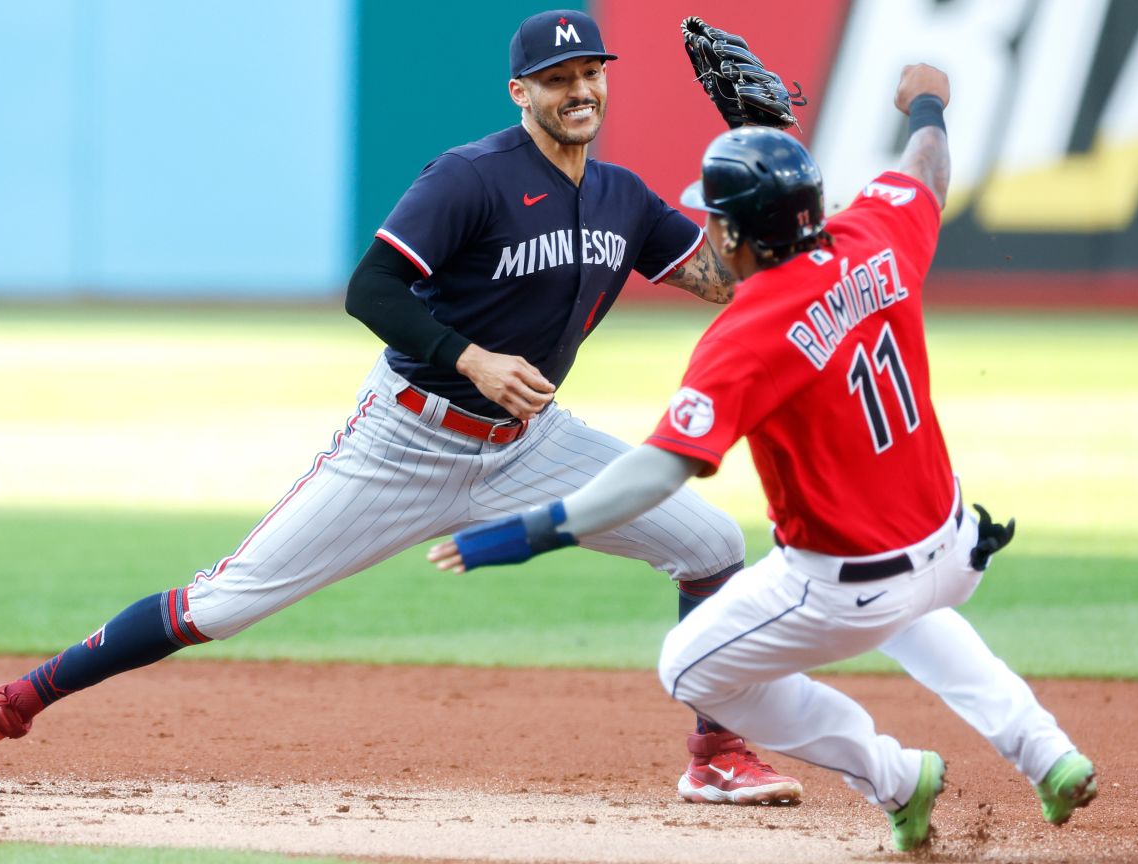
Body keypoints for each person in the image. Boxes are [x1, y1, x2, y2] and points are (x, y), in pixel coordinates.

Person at [0, 9, 804, 806]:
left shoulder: (624, 197)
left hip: (531, 445)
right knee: (225, 602)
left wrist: (775, 178)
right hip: (407, 439)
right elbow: (370, 288)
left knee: (713, 543)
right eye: (557, 79)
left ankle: (716, 753)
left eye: (591, 74)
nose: (578, 90)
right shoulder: (469, 177)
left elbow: (726, 283)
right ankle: (12, 703)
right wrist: (473, 359)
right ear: (520, 90)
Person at [428, 63, 1098, 850]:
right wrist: (927, 99)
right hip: (951, 544)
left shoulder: (749, 332)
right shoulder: (873, 234)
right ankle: (1048, 753)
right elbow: (926, 168)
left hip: (847, 586)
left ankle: (891, 775)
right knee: (920, 611)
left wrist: (531, 532)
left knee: (690, 669)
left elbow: (658, 469)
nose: (708, 231)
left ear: (739, 235)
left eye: (715, 219)